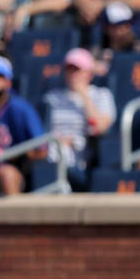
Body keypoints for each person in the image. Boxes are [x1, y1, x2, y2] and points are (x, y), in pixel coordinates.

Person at [44, 48, 116, 190]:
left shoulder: (101, 95)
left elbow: (100, 126)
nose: (72, 74)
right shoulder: (52, 97)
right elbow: (41, 128)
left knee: (62, 152)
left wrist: (83, 95)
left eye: (77, 70)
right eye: (69, 69)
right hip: (53, 144)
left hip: (82, 149)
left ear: (89, 73)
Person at [0, 56, 45, 195]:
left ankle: (12, 216)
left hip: (13, 168)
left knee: (6, 174)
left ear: (8, 82)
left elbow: (42, 149)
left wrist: (16, 154)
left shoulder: (21, 108)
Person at [92, 1, 140, 75]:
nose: (126, 30)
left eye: (128, 24)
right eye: (119, 26)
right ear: (107, 28)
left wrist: (116, 58)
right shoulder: (97, 54)